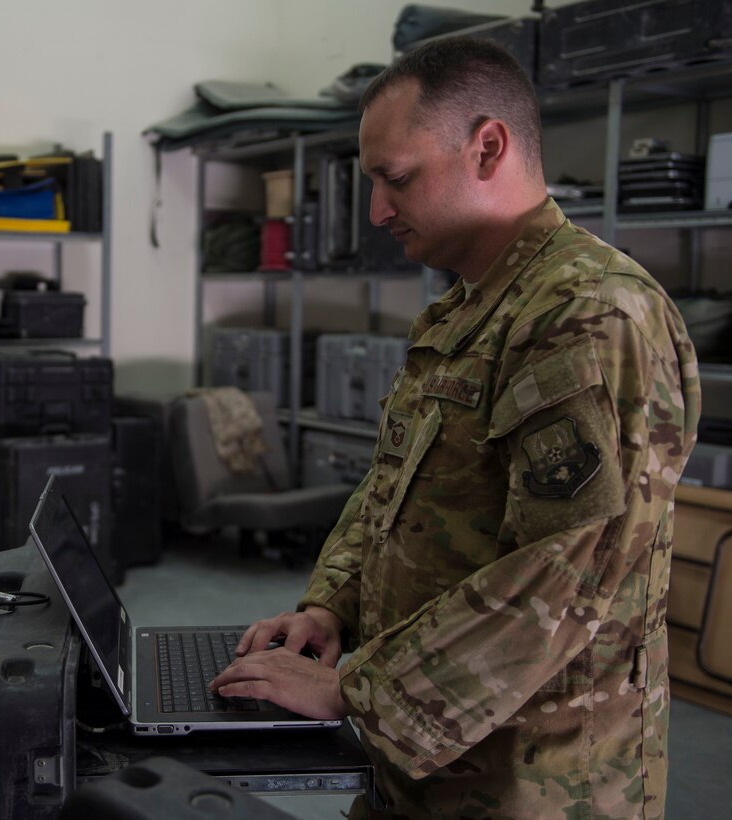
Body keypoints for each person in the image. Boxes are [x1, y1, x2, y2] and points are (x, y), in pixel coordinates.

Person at [210, 36, 700, 819]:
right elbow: (394, 488)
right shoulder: (467, 307)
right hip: (422, 747)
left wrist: (356, 691)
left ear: (488, 148)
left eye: (394, 179)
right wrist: (331, 608)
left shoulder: (587, 312)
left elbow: (565, 568)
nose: (375, 211)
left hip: (532, 775)